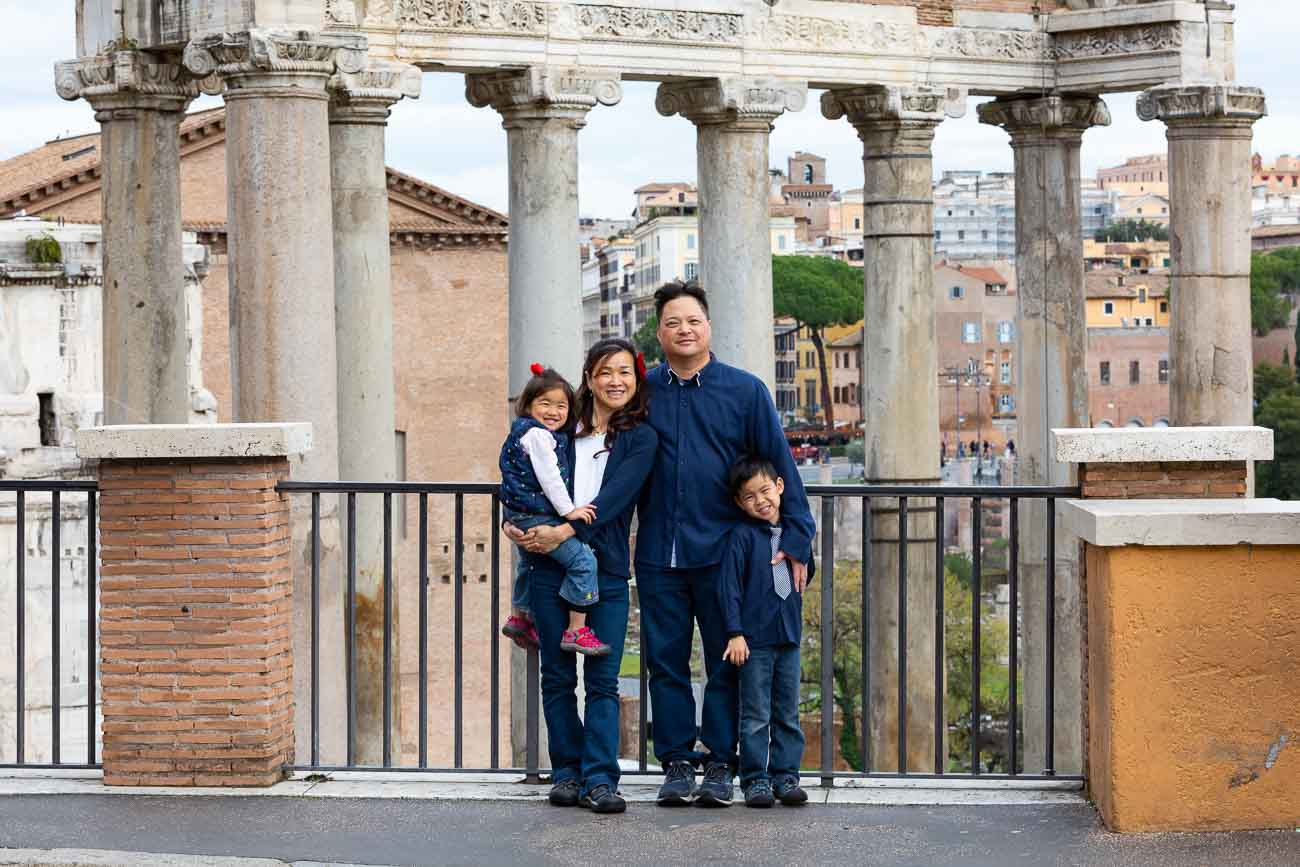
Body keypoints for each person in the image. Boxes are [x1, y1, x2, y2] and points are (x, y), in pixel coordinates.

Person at [638, 281, 816, 808]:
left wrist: (800, 539)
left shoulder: (745, 390)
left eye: (692, 320)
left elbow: (781, 469)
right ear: (660, 331)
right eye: (673, 322)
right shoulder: (644, 392)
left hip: (725, 557)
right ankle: (674, 763)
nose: (684, 330)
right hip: (658, 553)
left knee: (724, 664)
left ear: (708, 326)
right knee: (665, 663)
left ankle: (720, 762)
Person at [508, 338, 658, 814]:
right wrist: (514, 522)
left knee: (602, 678)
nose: (616, 381)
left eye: (626, 373)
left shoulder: (641, 438)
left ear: (636, 382)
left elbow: (614, 499)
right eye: (605, 372)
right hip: (548, 566)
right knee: (556, 676)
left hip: (607, 567)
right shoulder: (558, 431)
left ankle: (600, 778)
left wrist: (561, 531)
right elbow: (522, 478)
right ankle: (567, 772)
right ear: (589, 379)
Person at [719, 456, 812, 809]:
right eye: (749, 497)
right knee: (755, 713)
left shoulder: (795, 534)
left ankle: (786, 775)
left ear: (780, 487)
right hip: (754, 639)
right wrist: (735, 632)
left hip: (788, 635)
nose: (760, 501)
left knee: (787, 711)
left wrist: (800, 551)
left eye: (765, 490)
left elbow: (806, 574)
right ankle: (755, 778)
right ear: (739, 504)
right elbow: (729, 589)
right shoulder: (741, 537)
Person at [498, 364, 608, 657]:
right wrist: (570, 511)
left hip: (518, 512)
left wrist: (507, 519)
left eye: (561, 405)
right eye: (544, 403)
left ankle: (520, 617)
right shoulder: (539, 436)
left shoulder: (520, 432)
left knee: (526, 563)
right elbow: (550, 479)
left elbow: (512, 478)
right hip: (538, 513)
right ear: (528, 405)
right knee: (584, 562)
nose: (553, 411)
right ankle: (576, 629)